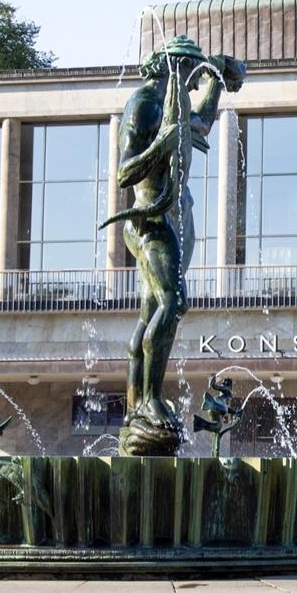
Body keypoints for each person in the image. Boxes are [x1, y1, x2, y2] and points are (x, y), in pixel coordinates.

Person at [102, 36, 244, 456]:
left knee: (151, 312)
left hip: (176, 219)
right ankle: (148, 400)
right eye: (190, 73)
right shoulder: (145, 103)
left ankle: (136, 408)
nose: (191, 82)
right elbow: (124, 173)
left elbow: (199, 125)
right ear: (169, 67)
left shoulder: (174, 101)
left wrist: (217, 83)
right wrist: (160, 143)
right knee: (173, 303)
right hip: (150, 219)